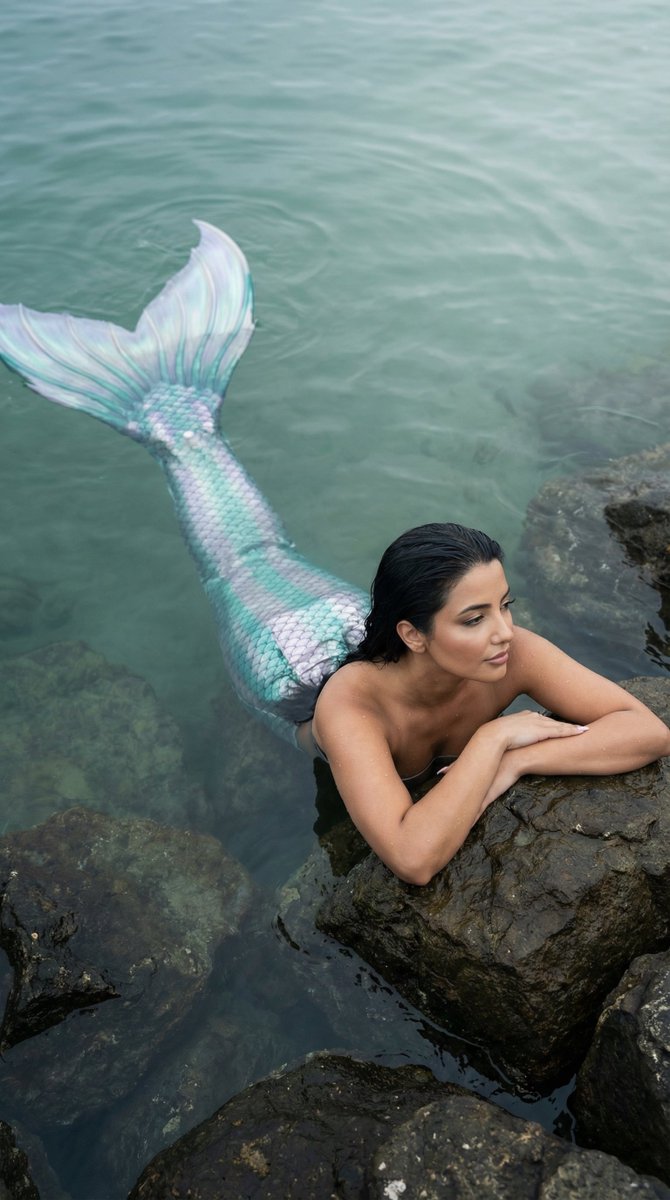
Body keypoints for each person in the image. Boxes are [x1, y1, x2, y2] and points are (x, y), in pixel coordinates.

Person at [298, 522, 670, 885]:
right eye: (475, 619)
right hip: (290, 682)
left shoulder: (513, 653)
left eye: (505, 605)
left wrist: (516, 760)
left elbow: (650, 732)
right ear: (413, 635)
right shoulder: (353, 708)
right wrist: (492, 738)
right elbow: (413, 859)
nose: (506, 632)